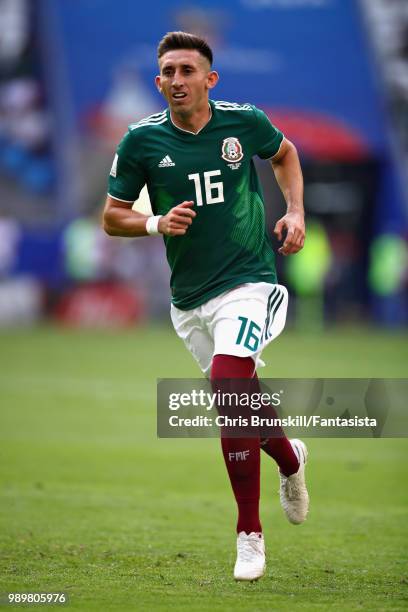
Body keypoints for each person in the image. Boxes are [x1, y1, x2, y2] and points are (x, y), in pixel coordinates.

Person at [103, 31, 309, 582]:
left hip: (249, 281)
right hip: (189, 299)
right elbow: (111, 215)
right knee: (240, 397)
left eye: (187, 71)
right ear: (158, 81)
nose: (176, 80)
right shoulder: (141, 141)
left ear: (209, 80)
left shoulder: (244, 122)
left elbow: (285, 153)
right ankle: (291, 460)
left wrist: (295, 211)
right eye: (168, 71)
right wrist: (155, 222)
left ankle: (249, 535)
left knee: (227, 385)